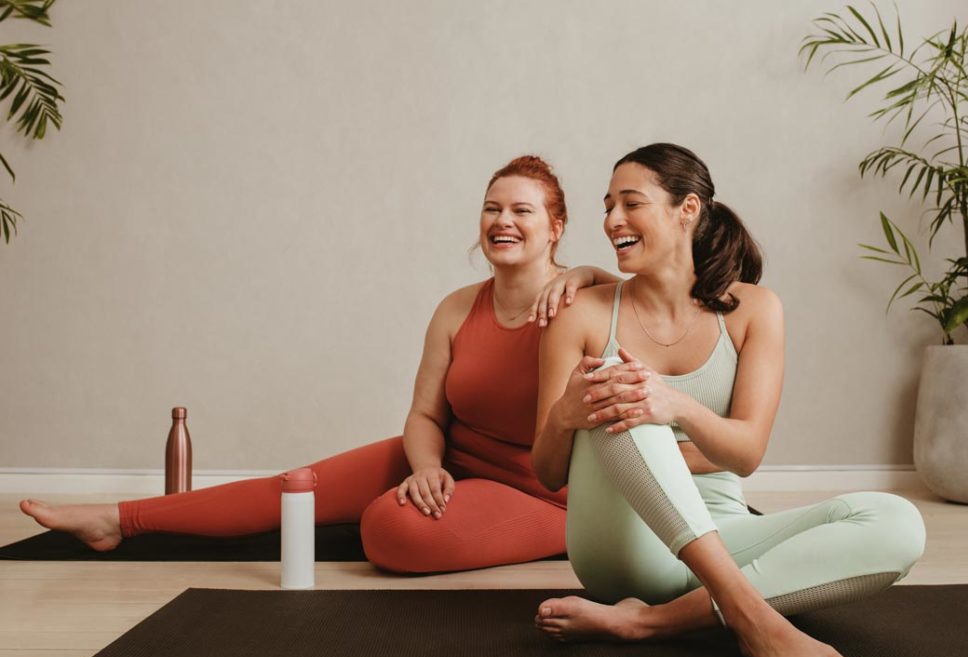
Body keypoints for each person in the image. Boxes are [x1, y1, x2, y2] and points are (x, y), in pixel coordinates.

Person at [19, 155, 614, 574]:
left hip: (542, 494)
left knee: (388, 530)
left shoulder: (581, 301)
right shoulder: (457, 308)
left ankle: (540, 538)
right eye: (491, 208)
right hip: (455, 458)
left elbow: (641, 306)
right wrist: (427, 466)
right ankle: (116, 520)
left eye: (522, 211)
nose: (502, 221)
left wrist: (591, 271)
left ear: (555, 227)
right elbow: (425, 414)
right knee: (294, 488)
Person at [530, 143, 926, 657]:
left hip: (725, 533)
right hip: (621, 545)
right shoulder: (581, 312)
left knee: (897, 524)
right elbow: (548, 471)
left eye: (630, 203)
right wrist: (566, 419)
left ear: (687, 209)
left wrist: (678, 407)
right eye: (607, 207)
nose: (611, 220)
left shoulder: (755, 310)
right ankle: (752, 617)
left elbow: (745, 455)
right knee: (625, 398)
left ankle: (651, 623)